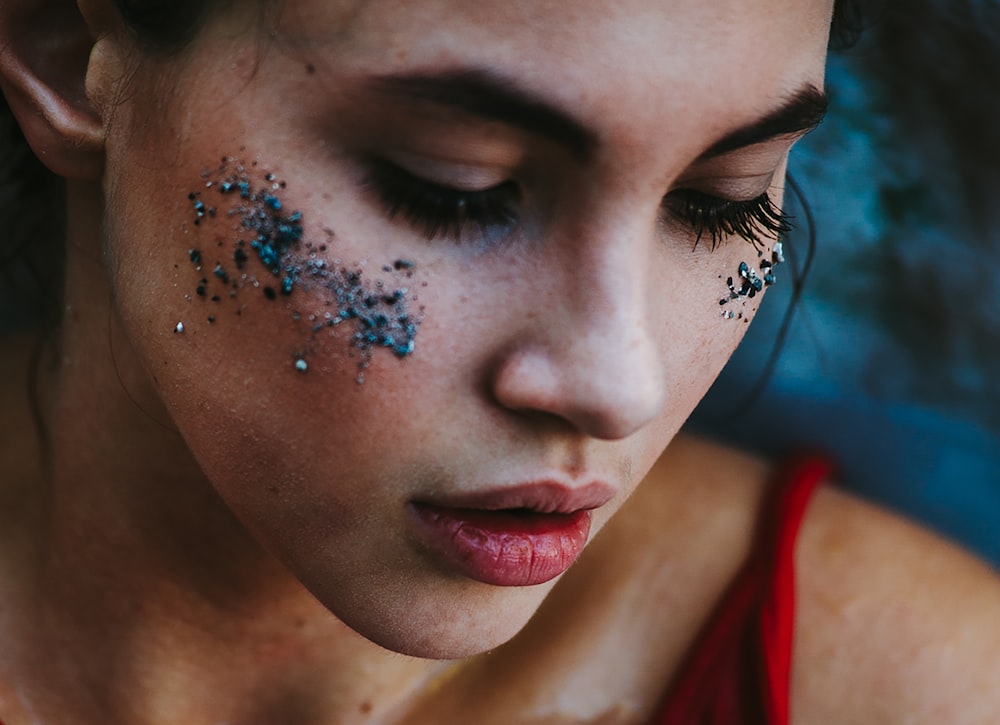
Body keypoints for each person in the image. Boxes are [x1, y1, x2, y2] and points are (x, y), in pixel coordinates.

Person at [0, 1, 998, 722]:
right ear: (69, 46)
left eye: (720, 198)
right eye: (454, 187)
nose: (619, 384)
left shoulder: (917, 685)